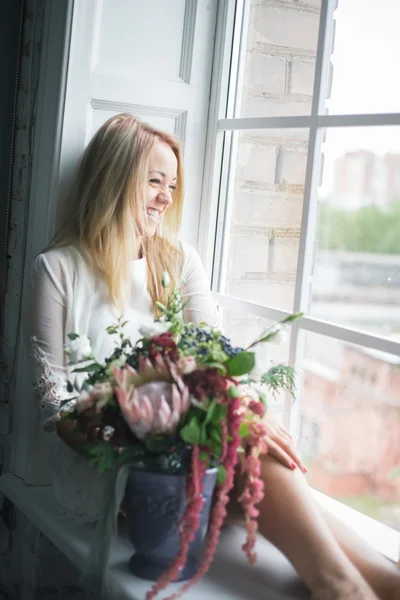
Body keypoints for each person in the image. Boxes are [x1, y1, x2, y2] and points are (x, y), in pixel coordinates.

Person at [26, 113, 399, 599]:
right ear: (113, 178)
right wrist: (141, 446)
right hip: (109, 465)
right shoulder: (58, 269)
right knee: (243, 450)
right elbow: (52, 404)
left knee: (248, 444)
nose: (166, 196)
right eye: (154, 181)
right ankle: (347, 584)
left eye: (172, 184)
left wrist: (239, 418)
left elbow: (218, 361)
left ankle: (373, 583)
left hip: (197, 452)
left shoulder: (179, 260)